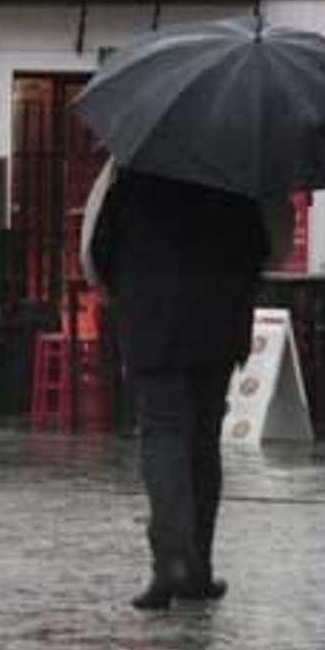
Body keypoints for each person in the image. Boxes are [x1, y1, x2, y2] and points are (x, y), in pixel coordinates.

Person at [88, 169, 269, 610]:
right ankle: (198, 569)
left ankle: (171, 560)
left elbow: (100, 252)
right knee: (204, 442)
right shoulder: (235, 178)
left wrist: (134, 293)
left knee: (163, 434)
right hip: (217, 328)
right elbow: (259, 252)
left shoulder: (132, 178)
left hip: (154, 327)